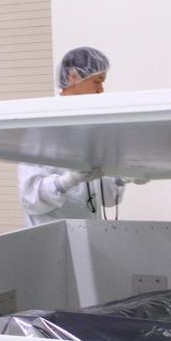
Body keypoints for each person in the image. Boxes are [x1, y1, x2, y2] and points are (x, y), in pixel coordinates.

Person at [17, 47, 129, 226]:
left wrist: (122, 176)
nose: (101, 90)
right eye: (97, 81)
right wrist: (67, 181)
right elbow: (30, 199)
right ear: (73, 76)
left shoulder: (92, 125)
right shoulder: (41, 125)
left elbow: (108, 199)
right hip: (48, 238)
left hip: (88, 233)